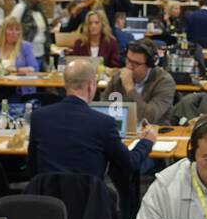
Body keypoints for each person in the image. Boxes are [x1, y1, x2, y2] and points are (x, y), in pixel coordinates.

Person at [27, 57, 156, 179]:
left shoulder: (39, 117)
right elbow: (129, 163)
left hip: (49, 197)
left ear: (65, 85)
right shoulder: (104, 123)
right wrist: (147, 142)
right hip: (89, 198)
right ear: (91, 85)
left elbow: (32, 166)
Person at [105, 39, 176, 125]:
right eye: (128, 59)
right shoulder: (118, 78)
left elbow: (149, 118)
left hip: (155, 134)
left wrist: (130, 89)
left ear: (150, 64)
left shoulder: (164, 82)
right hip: (124, 131)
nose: (129, 66)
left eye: (136, 63)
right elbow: (104, 110)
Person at [9, 0, 53, 69]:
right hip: (25, 56)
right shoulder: (21, 8)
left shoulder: (40, 10)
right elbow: (9, 28)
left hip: (42, 55)